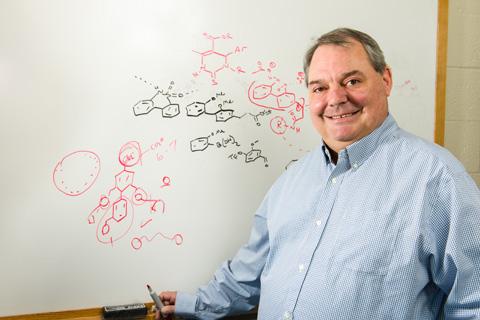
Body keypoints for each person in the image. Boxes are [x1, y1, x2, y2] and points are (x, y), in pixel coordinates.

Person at [156, 28, 480, 319]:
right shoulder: (292, 180)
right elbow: (249, 273)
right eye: (319, 87)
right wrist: (191, 304)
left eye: (352, 81)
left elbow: (473, 300)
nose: (336, 99)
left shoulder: (437, 179)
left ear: (386, 80)